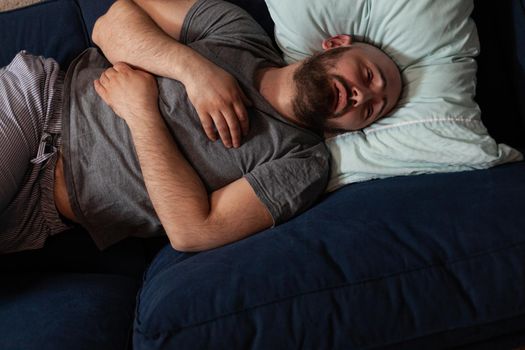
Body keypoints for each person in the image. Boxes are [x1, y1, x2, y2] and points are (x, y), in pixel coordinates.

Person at [0, 0, 402, 254]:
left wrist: (141, 113)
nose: (361, 96)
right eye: (368, 75)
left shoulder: (303, 163)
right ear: (336, 44)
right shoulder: (237, 31)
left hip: (46, 214)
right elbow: (113, 22)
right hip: (40, 105)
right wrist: (194, 70)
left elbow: (193, 232)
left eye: (372, 109)